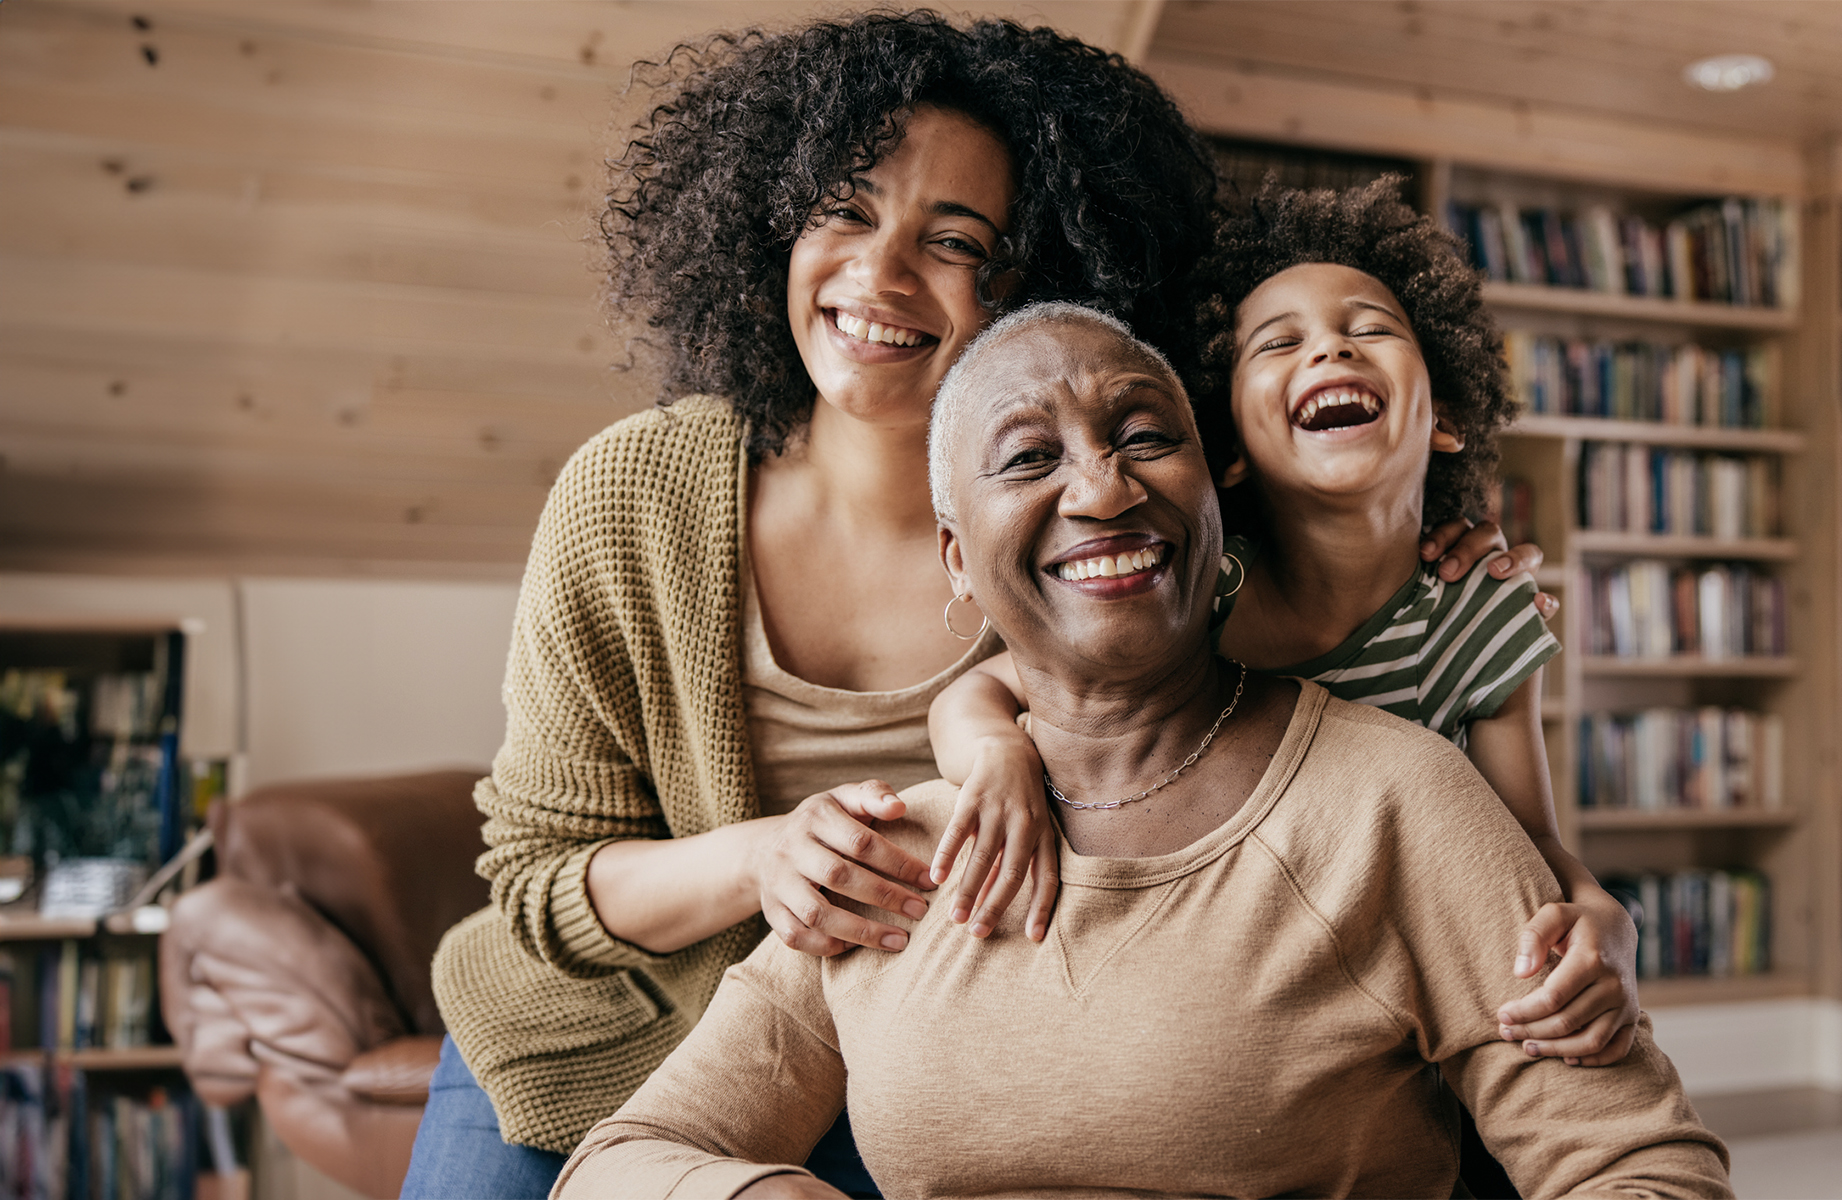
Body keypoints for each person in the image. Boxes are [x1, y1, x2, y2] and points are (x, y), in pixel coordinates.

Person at [406, 13, 1528, 1198]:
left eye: (954, 240)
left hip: (913, 1043)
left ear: (1038, 278)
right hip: (581, 1043)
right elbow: (539, 880)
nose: (879, 277)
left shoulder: (1108, 529)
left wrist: (1459, 561)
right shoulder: (633, 494)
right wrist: (771, 859)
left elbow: (1346, 631)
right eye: (843, 209)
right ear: (770, 222)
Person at [554, 302, 1731, 1199]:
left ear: (1218, 503)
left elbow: (1641, 1169)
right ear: (959, 560)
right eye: (1028, 457)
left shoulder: (1396, 798)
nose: (1102, 489)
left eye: (1143, 437)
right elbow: (625, 1159)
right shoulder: (890, 855)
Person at [928, 179, 1637, 1067]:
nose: (1332, 346)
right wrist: (996, 755)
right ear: (1224, 449)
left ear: (1445, 413)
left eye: (1370, 327)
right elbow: (980, 694)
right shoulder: (1195, 591)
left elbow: (1527, 845)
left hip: (1389, 990)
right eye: (1280, 342)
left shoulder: (1481, 613)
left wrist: (1606, 919)